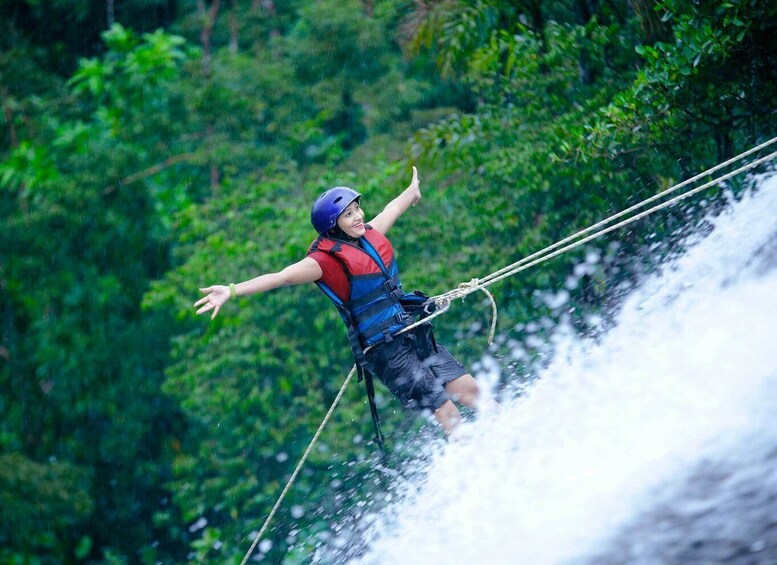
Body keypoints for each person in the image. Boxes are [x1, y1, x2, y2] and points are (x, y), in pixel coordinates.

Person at [194, 167, 485, 435]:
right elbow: (280, 277)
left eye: (357, 209)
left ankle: (508, 438)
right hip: (387, 352)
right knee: (447, 412)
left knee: (471, 390)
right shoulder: (323, 263)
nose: (358, 216)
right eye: (348, 214)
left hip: (410, 331)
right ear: (334, 226)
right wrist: (231, 291)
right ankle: (471, 470)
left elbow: (392, 208)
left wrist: (412, 191)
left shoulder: (367, 237)